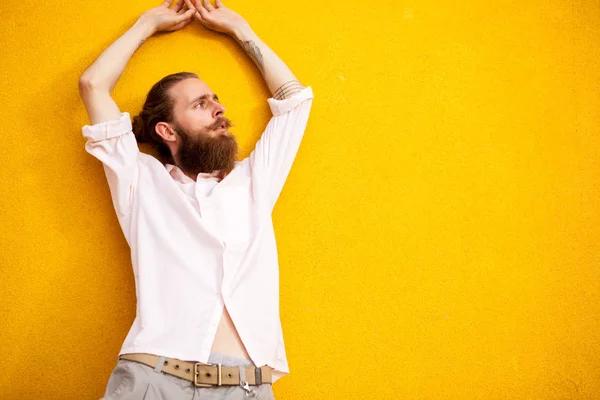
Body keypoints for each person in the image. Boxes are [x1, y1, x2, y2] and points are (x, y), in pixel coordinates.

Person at [78, 0, 314, 398]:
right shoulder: (141, 182)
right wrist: (148, 23)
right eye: (200, 104)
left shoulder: (253, 182)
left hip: (247, 388)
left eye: (216, 100)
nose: (219, 109)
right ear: (167, 131)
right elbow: (92, 85)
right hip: (155, 380)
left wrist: (241, 30)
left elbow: (295, 103)